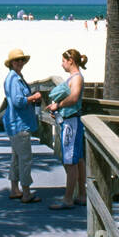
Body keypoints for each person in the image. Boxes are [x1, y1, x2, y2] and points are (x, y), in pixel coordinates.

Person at [47, 48, 88, 209]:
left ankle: (68, 198)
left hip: (71, 123)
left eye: (63, 61)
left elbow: (74, 96)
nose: (62, 64)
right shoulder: (74, 77)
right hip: (71, 121)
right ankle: (82, 195)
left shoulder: (76, 78)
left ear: (70, 61)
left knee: (70, 161)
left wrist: (58, 105)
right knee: (78, 160)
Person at [2, 48, 43, 203]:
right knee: (25, 158)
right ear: (11, 63)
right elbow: (18, 101)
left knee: (16, 157)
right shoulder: (13, 79)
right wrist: (33, 97)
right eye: (17, 60)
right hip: (19, 124)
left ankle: (15, 189)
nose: (20, 63)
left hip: (16, 123)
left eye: (21, 60)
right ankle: (26, 193)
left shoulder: (16, 77)